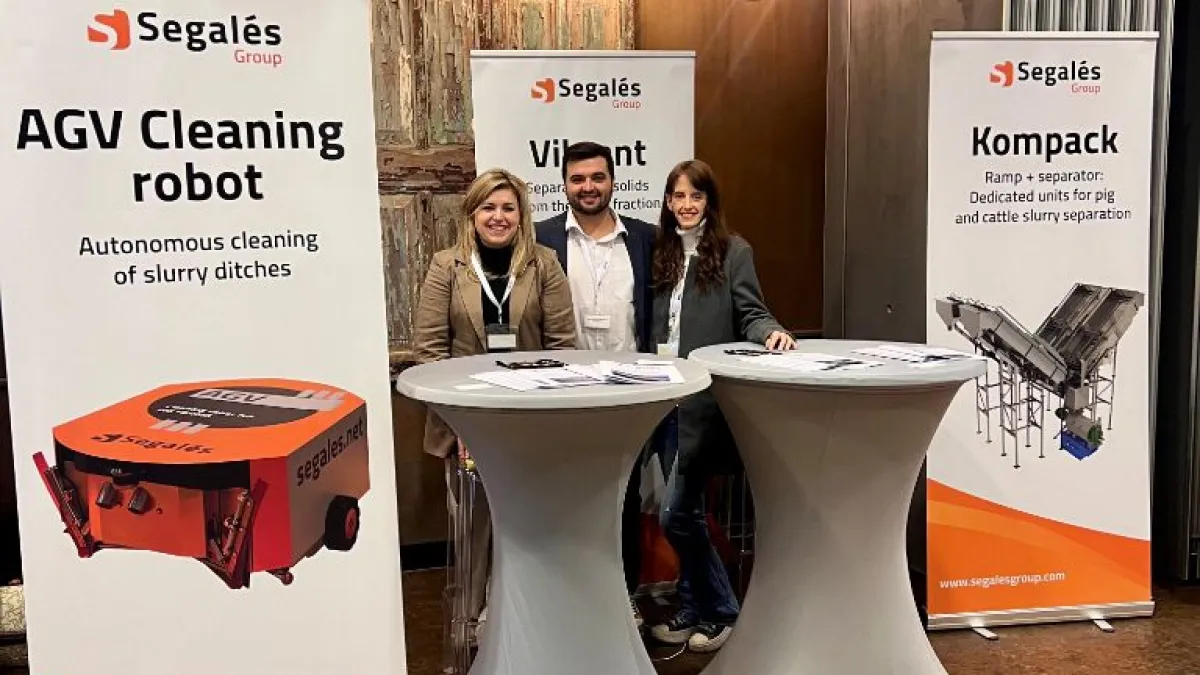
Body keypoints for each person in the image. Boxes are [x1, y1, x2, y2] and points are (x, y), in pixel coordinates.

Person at [413, 167, 576, 643]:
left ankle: (519, 622)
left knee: (527, 528)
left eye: (508, 207)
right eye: (488, 207)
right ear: (472, 214)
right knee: (474, 528)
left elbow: (563, 348)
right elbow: (429, 354)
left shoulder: (544, 264)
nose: (498, 217)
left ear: (521, 215)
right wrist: (460, 423)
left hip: (530, 424)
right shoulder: (446, 266)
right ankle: (467, 625)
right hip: (466, 426)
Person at [647, 159, 795, 653]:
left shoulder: (734, 252)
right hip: (662, 401)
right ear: (668, 202)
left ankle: (725, 610)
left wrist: (769, 331)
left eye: (696, 196)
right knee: (685, 513)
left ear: (710, 201)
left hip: (702, 405)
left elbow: (751, 311)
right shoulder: (662, 251)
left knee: (676, 515)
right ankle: (694, 607)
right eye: (678, 196)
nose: (687, 205)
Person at [534, 141, 657, 631]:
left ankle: (624, 599)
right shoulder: (540, 238)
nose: (588, 187)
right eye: (578, 179)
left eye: (597, 177)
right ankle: (566, 601)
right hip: (563, 393)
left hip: (629, 394)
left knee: (624, 498)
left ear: (613, 181)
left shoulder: (645, 238)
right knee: (563, 499)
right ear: (564, 184)